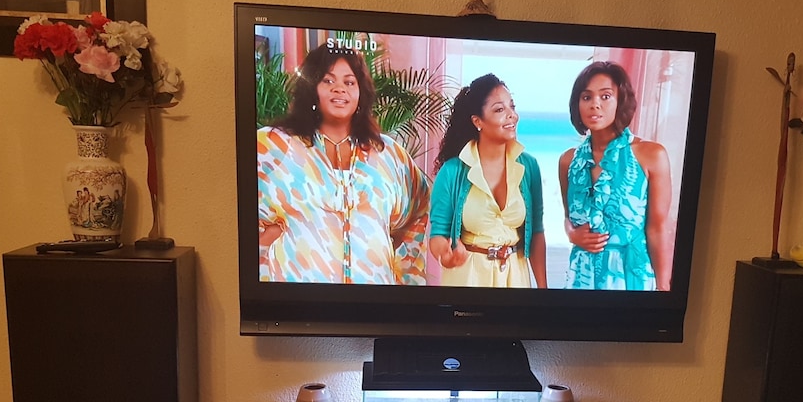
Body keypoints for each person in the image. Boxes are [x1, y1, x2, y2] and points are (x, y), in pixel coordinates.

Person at [257, 44, 431, 284]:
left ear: (361, 92)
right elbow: (236, 211)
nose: (339, 89)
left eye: (349, 82)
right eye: (328, 81)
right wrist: (270, 243)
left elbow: (419, 210)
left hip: (373, 301)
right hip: (297, 300)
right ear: (311, 89)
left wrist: (403, 278)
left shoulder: (389, 154)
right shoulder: (273, 145)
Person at [558, 61, 673, 291]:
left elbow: (657, 229)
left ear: (621, 101)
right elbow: (569, 217)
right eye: (586, 97)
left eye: (605, 96)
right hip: (581, 277)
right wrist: (572, 234)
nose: (595, 104)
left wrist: (663, 290)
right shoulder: (568, 161)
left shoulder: (651, 155)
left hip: (632, 277)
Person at [429, 74, 547, 288]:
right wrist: (446, 255)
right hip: (467, 280)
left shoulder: (529, 167)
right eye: (500, 109)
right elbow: (438, 234)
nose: (512, 116)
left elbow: (537, 232)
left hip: (516, 279)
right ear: (478, 121)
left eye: (512, 107)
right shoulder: (453, 171)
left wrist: (543, 290)